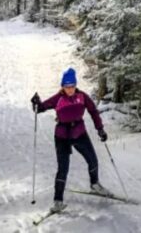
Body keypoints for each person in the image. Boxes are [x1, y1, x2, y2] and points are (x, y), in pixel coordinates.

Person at [30, 67, 111, 212]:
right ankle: (58, 201)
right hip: (62, 136)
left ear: (75, 85)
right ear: (63, 86)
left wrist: (100, 129)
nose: (70, 89)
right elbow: (41, 107)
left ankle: (95, 184)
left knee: (92, 159)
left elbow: (93, 111)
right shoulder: (58, 98)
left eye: (72, 86)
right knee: (63, 168)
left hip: (80, 133)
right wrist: (36, 103)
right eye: (67, 86)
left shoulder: (82, 97)